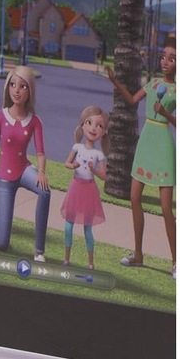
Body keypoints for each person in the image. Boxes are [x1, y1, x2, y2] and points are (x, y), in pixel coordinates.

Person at [106, 43, 176, 274]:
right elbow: (132, 99)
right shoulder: (153, 83)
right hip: (146, 142)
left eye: (172, 59)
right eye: (164, 57)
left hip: (163, 145)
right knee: (134, 197)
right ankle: (138, 254)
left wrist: (165, 113)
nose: (165, 62)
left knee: (166, 207)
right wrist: (115, 82)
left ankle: (177, 262)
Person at [0, 65, 53, 260]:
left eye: (23, 86)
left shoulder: (35, 121)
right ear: (7, 87)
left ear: (30, 91)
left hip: (24, 170)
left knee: (45, 191)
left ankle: (39, 251)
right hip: (4, 178)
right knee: (2, 243)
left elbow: (40, 152)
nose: (17, 90)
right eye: (13, 85)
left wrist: (41, 171)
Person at [61, 105, 111, 267]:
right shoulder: (77, 147)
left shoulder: (99, 154)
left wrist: (93, 170)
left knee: (87, 229)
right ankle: (66, 259)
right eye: (89, 123)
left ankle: (91, 263)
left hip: (89, 191)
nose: (93, 128)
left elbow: (104, 176)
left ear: (104, 132)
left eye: (99, 125)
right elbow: (67, 163)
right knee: (68, 226)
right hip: (75, 189)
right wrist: (73, 166)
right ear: (82, 125)